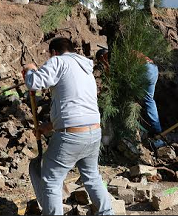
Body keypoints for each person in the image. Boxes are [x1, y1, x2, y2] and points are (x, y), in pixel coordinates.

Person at [24, 38, 113, 215]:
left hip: (71, 137)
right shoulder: (85, 69)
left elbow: (34, 83)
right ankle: (108, 213)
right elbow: (77, 106)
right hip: (93, 132)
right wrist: (49, 126)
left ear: (54, 52)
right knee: (93, 177)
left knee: (51, 180)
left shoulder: (58, 61)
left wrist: (29, 70)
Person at [96, 48, 162, 135]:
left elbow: (112, 77)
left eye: (101, 61)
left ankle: (129, 124)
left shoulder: (110, 55)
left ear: (101, 56)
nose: (103, 64)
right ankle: (157, 129)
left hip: (143, 70)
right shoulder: (121, 50)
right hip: (153, 69)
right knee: (149, 100)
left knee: (126, 94)